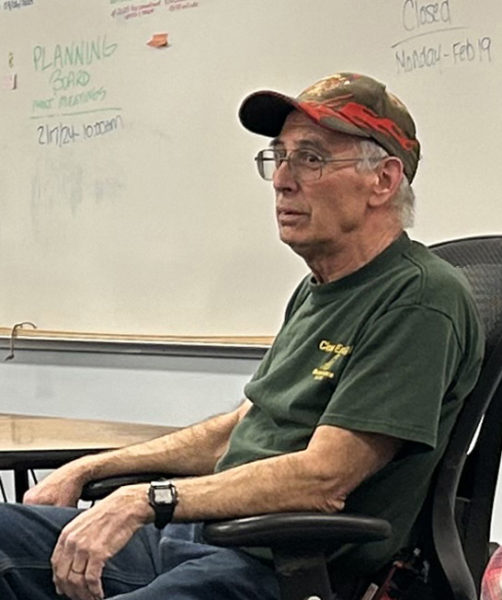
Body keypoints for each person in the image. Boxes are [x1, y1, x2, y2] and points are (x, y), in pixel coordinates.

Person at [0, 72, 484, 600]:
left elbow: (324, 478)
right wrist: (95, 469)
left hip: (279, 569)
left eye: (312, 159)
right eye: (279, 157)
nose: (282, 180)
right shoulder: (317, 288)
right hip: (193, 540)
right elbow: (240, 430)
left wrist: (149, 500)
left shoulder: (419, 299)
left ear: (384, 180)